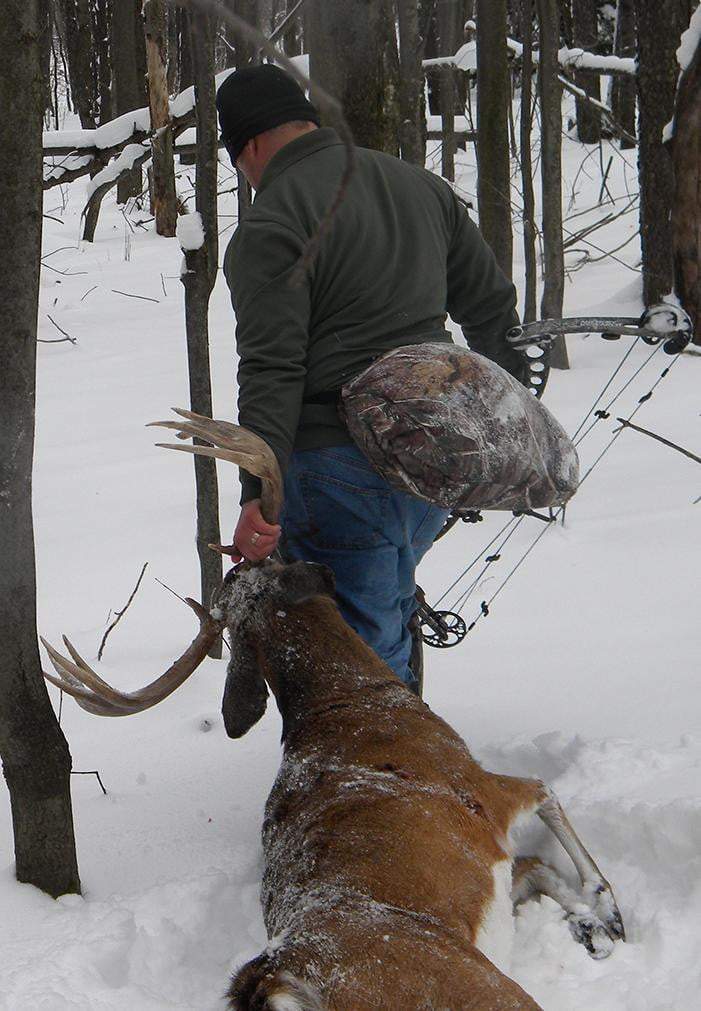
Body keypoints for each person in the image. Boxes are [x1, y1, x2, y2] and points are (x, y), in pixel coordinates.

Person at [215, 65, 527, 694]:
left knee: (357, 656)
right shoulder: (419, 185)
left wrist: (257, 491)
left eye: (237, 161)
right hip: (436, 455)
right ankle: (406, 767)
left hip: (337, 466)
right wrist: (508, 419)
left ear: (247, 145)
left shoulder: (271, 222)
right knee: (381, 615)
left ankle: (392, 785)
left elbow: (273, 368)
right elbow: (492, 309)